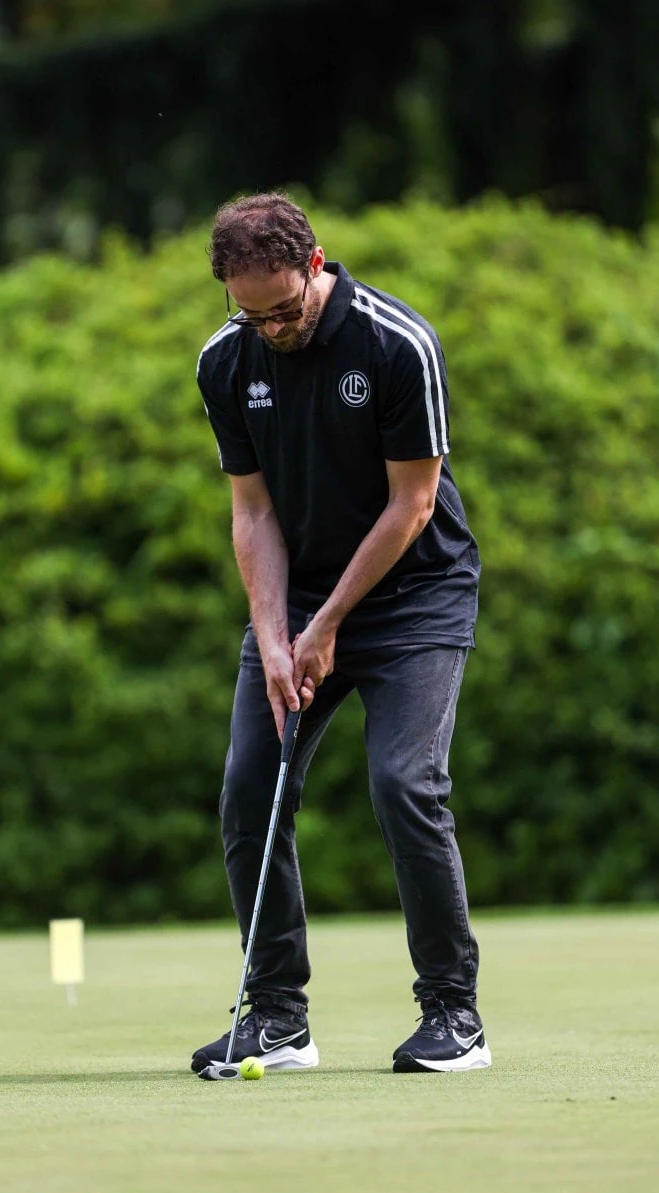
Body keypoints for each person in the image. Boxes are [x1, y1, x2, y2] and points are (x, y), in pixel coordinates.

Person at [192, 192, 490, 1075]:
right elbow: (253, 514)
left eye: (284, 307)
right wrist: (275, 635)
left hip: (415, 598)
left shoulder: (398, 344)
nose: (272, 327)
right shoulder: (226, 360)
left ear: (316, 262)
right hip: (299, 602)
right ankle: (278, 1019)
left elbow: (413, 503)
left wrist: (325, 626)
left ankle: (454, 1017)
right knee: (250, 791)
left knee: (404, 782)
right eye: (251, 313)